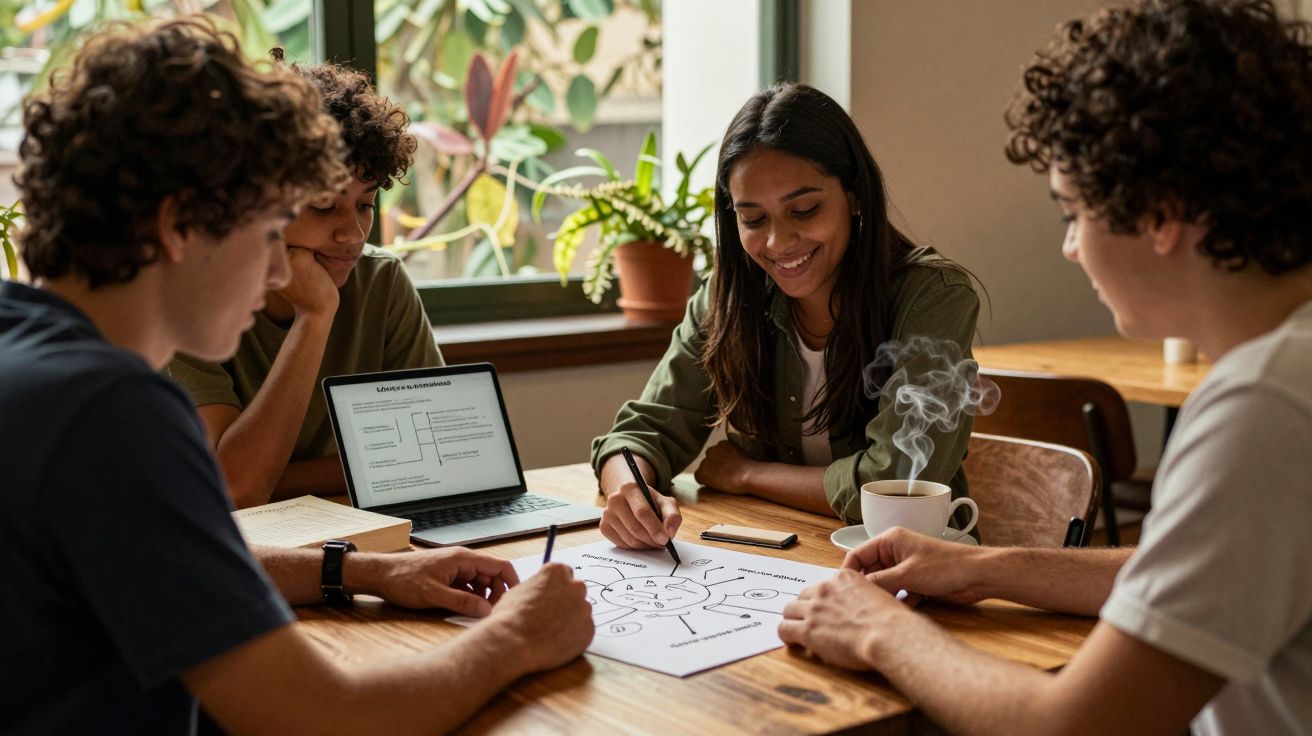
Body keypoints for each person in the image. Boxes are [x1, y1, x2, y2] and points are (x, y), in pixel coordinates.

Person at [0, 18, 592, 734]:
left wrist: (364, 570)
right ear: (179, 223)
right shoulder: (111, 412)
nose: (281, 269)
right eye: (269, 227)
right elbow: (322, 717)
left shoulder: (26, 350)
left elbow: (178, 559)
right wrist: (519, 636)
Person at [778, 1, 1312, 733]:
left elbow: (1072, 725)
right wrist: (979, 567)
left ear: (1160, 213)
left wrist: (878, 630)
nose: (1069, 248)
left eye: (1071, 213)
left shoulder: (1265, 407)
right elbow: (1194, 574)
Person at [592, 83, 981, 549]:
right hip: (776, 557)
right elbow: (643, 431)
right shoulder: (730, 296)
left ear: (855, 197)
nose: (778, 243)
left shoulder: (933, 297)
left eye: (805, 209)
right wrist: (628, 487)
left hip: (912, 571)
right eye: (753, 220)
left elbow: (896, 483)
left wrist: (750, 473)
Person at [167, 55, 442, 508]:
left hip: (366, 529)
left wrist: (285, 478)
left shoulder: (381, 281)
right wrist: (314, 315)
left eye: (365, 205)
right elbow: (235, 487)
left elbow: (431, 461)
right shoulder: (191, 303)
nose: (352, 235)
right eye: (322, 207)